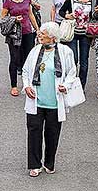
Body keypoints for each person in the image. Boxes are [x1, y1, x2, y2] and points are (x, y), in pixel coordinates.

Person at [22, 22, 76, 177]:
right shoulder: (35, 51)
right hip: (36, 100)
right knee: (34, 132)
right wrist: (26, 86)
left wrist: (65, 85)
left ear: (52, 37)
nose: (39, 36)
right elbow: (26, 71)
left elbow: (72, 72)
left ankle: (49, 162)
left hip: (54, 102)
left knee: (52, 134)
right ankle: (34, 164)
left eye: (43, 34)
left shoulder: (65, 52)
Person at [1, 0, 40, 97]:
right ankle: (13, 85)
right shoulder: (8, 1)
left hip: (27, 32)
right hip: (14, 34)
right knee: (15, 59)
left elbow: (31, 15)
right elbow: (3, 18)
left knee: (28, 59)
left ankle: (27, 83)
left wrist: (37, 29)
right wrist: (14, 19)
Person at [59, 0, 92, 89]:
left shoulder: (91, 1)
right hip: (72, 32)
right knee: (74, 59)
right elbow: (61, 11)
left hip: (85, 34)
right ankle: (70, 83)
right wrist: (67, 15)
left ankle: (81, 86)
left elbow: (93, 17)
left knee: (84, 62)